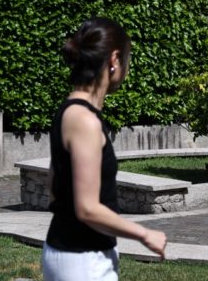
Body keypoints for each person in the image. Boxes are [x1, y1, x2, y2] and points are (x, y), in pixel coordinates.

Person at [42, 17, 167, 281]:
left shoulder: (67, 111)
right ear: (114, 60)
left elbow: (54, 189)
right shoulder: (85, 121)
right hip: (82, 259)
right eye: (127, 61)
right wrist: (145, 234)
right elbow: (87, 208)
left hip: (71, 253)